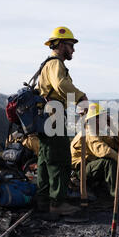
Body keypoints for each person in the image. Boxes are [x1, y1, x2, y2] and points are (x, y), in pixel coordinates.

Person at [36, 26, 88, 216]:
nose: (73, 50)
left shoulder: (47, 64)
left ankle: (43, 201)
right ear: (59, 44)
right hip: (54, 114)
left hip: (45, 114)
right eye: (70, 45)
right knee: (60, 158)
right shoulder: (56, 63)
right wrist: (81, 97)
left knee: (45, 158)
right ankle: (57, 204)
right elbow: (61, 84)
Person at [70, 103, 119, 216]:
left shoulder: (97, 131)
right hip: (80, 172)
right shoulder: (89, 133)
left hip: (91, 167)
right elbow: (105, 151)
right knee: (109, 163)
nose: (106, 120)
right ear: (95, 120)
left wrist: (113, 127)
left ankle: (116, 191)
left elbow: (116, 145)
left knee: (113, 158)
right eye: (103, 117)